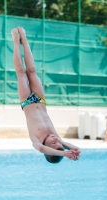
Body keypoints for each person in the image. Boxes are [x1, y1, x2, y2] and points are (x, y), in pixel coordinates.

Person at [11, 27, 81, 164]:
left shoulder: (36, 140)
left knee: (21, 72)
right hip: (40, 100)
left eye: (54, 144)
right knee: (31, 70)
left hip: (27, 101)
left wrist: (62, 152)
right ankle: (24, 40)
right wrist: (74, 151)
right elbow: (76, 147)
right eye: (59, 143)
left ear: (48, 149)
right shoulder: (57, 138)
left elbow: (42, 148)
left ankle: (15, 41)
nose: (56, 140)